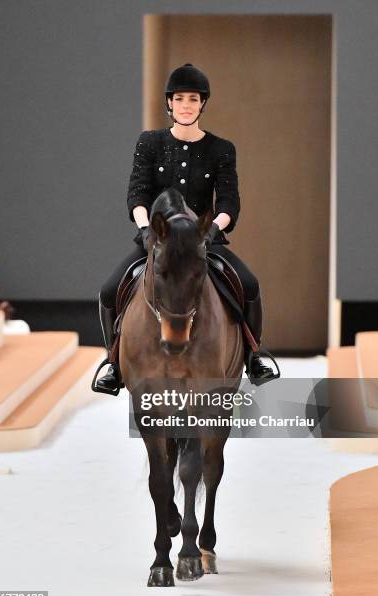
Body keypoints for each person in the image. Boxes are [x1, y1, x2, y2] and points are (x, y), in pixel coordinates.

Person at [94, 63, 277, 394]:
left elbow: (229, 203)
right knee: (109, 292)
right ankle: (113, 363)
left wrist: (210, 232)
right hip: (158, 239)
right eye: (180, 99)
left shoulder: (221, 149)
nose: (187, 105)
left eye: (193, 99)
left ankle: (254, 355)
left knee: (249, 284)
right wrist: (147, 229)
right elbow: (137, 193)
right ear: (170, 103)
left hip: (202, 241)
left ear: (202, 103)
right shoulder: (150, 143)